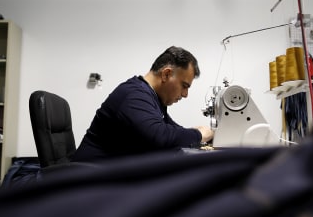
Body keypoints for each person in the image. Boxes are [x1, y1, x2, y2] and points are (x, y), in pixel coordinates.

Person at [72, 46, 215, 162]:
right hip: (87, 182)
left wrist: (203, 134)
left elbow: (171, 130)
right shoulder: (133, 94)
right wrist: (198, 134)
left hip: (110, 179)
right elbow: (161, 136)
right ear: (166, 74)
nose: (185, 94)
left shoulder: (153, 98)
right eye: (184, 86)